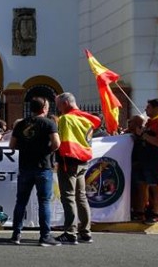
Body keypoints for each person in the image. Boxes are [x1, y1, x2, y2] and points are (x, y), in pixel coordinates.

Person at [9, 97, 61, 247]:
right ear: (44, 108)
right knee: (44, 201)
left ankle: (16, 235)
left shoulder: (21, 124)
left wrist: (26, 149)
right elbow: (56, 143)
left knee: (21, 201)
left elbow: (12, 145)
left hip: (25, 167)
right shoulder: (49, 123)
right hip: (43, 166)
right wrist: (46, 151)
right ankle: (45, 236)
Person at [54, 92, 101, 244]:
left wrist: (59, 160)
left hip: (69, 161)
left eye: (59, 105)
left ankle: (70, 232)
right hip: (83, 161)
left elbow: (62, 142)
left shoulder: (66, 119)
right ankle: (85, 232)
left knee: (68, 197)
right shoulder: (85, 119)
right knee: (81, 197)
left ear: (66, 103)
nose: (58, 109)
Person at [137, 99, 158, 225]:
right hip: (145, 159)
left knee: (156, 186)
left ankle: (156, 213)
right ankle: (142, 211)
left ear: (156, 109)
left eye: (149, 107)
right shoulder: (150, 122)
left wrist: (143, 134)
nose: (146, 109)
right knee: (143, 185)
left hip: (155, 160)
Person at [125, 114, 147, 221]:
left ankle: (140, 211)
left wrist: (139, 137)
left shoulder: (144, 136)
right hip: (126, 167)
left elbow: (143, 151)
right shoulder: (126, 134)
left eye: (132, 122)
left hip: (139, 167)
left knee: (139, 190)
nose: (129, 123)